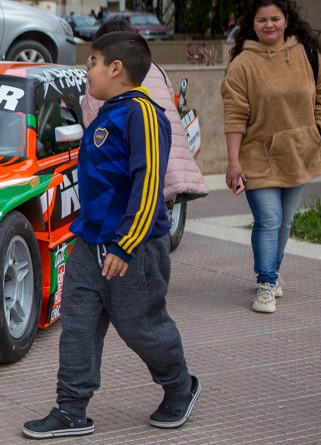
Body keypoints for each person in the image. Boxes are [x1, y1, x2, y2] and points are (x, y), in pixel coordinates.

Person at [23, 31, 199, 440]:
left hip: (131, 248)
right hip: (89, 243)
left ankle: (179, 385)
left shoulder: (144, 113)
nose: (87, 72)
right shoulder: (108, 111)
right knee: (79, 326)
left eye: (92, 63)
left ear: (115, 68)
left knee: (141, 326)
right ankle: (71, 410)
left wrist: (125, 243)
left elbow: (148, 182)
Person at [222, 0, 321, 313]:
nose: (269, 24)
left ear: (287, 20)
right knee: (269, 220)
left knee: (285, 223)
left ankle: (272, 272)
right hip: (257, 156)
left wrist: (320, 128)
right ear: (253, 24)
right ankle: (266, 283)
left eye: (275, 18)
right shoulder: (243, 64)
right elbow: (234, 116)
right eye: (262, 20)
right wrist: (233, 163)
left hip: (300, 152)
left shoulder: (306, 53)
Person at [82, 18, 208, 206]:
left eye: (95, 59)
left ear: (114, 66)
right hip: (174, 163)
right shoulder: (156, 69)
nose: (89, 70)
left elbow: (92, 126)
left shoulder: (137, 109)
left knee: (148, 212)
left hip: (141, 173)